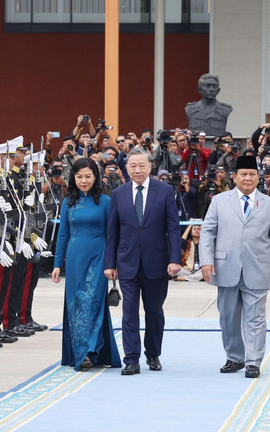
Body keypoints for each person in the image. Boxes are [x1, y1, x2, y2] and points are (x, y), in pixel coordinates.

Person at [199, 155, 270, 379]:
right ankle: (235, 357)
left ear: (258, 177)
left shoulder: (269, 204)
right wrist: (206, 261)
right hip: (225, 267)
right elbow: (207, 232)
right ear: (234, 177)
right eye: (243, 174)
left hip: (257, 268)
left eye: (252, 174)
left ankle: (253, 361)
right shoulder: (219, 201)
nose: (247, 178)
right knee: (228, 317)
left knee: (256, 318)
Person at [105, 148, 181, 375]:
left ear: (150, 167)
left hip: (157, 261)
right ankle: (131, 358)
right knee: (129, 311)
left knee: (154, 311)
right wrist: (110, 263)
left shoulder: (165, 191)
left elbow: (173, 228)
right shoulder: (118, 194)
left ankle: (153, 354)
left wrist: (175, 259)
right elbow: (113, 231)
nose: (137, 170)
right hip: (127, 261)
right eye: (132, 166)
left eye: (142, 166)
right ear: (126, 169)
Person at [52, 158, 121, 371]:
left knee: (92, 301)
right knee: (75, 304)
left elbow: (113, 235)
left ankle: (88, 352)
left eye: (88, 176)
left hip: (99, 257)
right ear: (73, 177)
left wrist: (113, 263)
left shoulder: (106, 202)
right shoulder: (68, 203)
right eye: (79, 176)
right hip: (74, 258)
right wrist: (56, 264)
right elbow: (62, 234)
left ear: (95, 177)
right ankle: (81, 351)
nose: (84, 181)